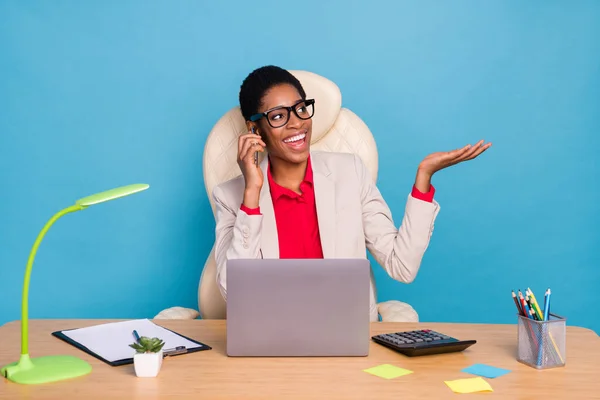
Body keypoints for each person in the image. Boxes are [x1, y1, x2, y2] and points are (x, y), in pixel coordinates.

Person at [212, 65, 491, 321]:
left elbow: (401, 266)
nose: (296, 123)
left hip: (346, 336)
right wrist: (252, 193)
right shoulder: (231, 196)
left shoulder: (351, 172)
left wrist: (424, 178)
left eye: (300, 109)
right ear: (254, 129)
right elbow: (236, 294)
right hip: (272, 340)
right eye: (278, 116)